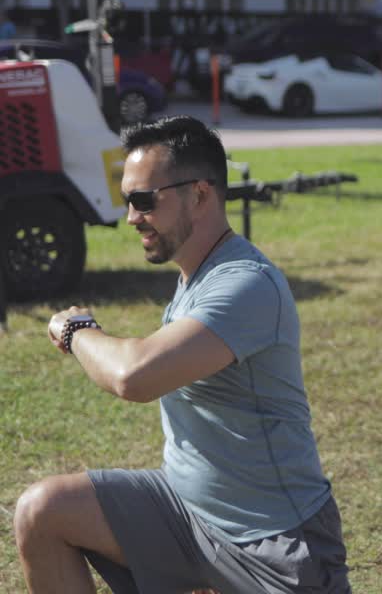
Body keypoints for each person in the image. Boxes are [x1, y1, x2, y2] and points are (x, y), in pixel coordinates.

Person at [14, 116, 350, 593]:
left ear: (200, 194)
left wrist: (77, 329)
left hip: (275, 545)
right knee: (41, 512)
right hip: (188, 512)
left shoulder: (247, 283)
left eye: (144, 200)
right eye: (127, 199)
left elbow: (135, 377)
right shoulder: (195, 275)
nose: (132, 216)